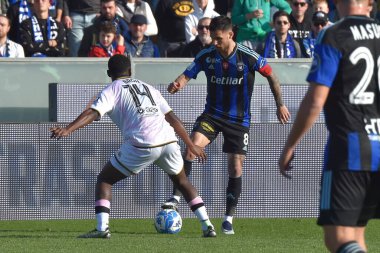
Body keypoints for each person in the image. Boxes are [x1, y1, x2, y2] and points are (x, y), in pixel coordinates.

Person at [50, 54, 217, 238]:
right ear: (130, 71)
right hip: (169, 140)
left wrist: (68, 129)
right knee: (182, 181)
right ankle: (207, 226)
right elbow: (172, 118)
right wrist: (191, 144)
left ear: (108, 73)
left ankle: (101, 229)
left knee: (105, 180)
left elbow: (92, 112)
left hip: (143, 143)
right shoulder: (148, 87)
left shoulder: (112, 89)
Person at [164, 16, 291, 235]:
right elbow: (187, 74)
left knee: (235, 168)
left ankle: (228, 218)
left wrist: (280, 104)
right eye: (212, 38)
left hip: (238, 121)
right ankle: (175, 198)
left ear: (230, 35)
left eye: (218, 38)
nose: (214, 42)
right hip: (212, 116)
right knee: (192, 146)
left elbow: (273, 77)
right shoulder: (207, 55)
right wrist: (177, 84)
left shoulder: (248, 56)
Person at [279, 0, 380, 252]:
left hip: (351, 149)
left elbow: (315, 99)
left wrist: (290, 144)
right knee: (357, 235)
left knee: (338, 239)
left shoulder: (333, 35)